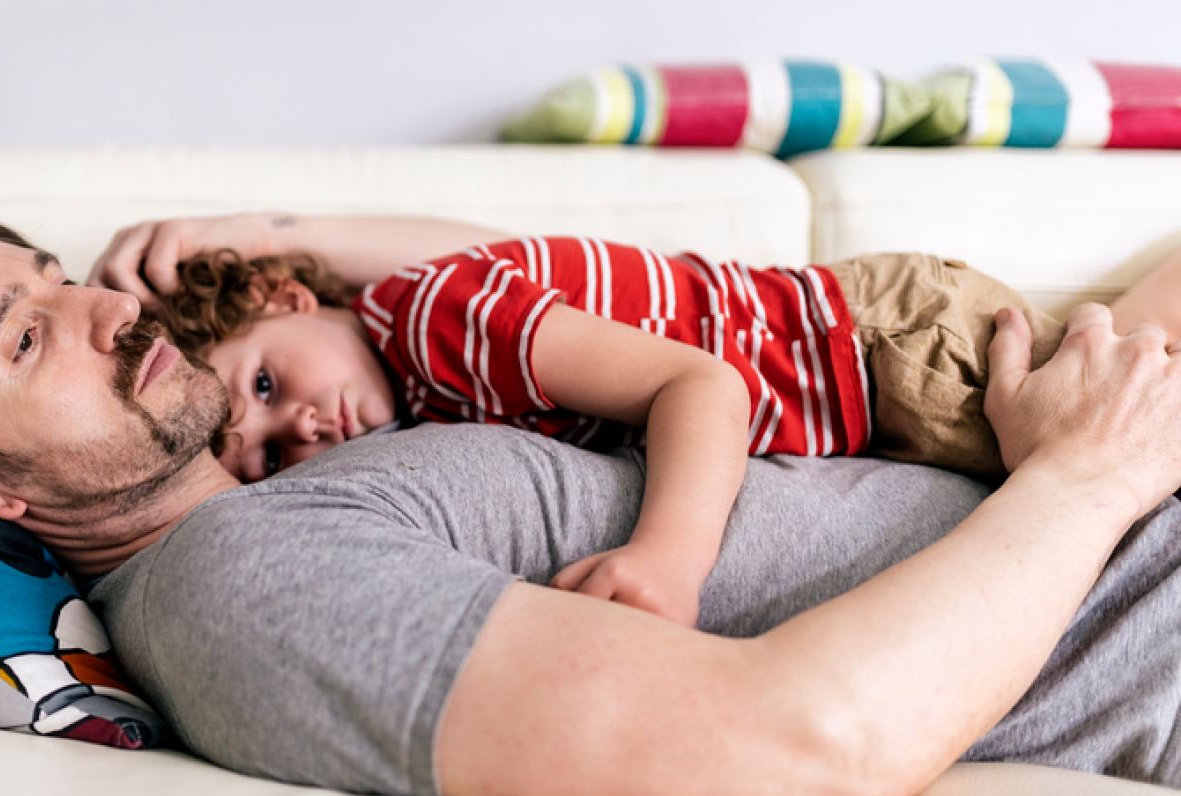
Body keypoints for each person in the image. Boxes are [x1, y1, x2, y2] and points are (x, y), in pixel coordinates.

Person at [0, 217, 1181, 796]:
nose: (113, 313)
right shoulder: (233, 585)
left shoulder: (296, 475)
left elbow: (506, 281)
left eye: (66, 279)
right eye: (26, 338)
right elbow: (793, 755)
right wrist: (1092, 472)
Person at [87, 213, 1174, 626]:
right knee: (1128, 361)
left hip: (879, 358)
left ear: (288, 296)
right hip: (870, 338)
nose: (305, 430)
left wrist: (666, 557)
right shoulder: (434, 324)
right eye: (271, 454)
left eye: (270, 387)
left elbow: (704, 386)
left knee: (1134, 413)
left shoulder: (431, 318)